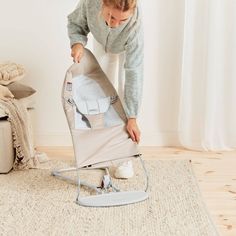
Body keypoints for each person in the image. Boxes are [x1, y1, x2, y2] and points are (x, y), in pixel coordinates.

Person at [67, 0, 144, 178]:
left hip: (125, 47)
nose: (114, 24)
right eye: (110, 16)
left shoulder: (134, 27)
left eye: (122, 21)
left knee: (124, 94)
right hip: (101, 42)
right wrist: (77, 43)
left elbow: (134, 74)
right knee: (100, 93)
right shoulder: (90, 3)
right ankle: (98, 151)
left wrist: (132, 116)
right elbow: (76, 22)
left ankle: (124, 156)